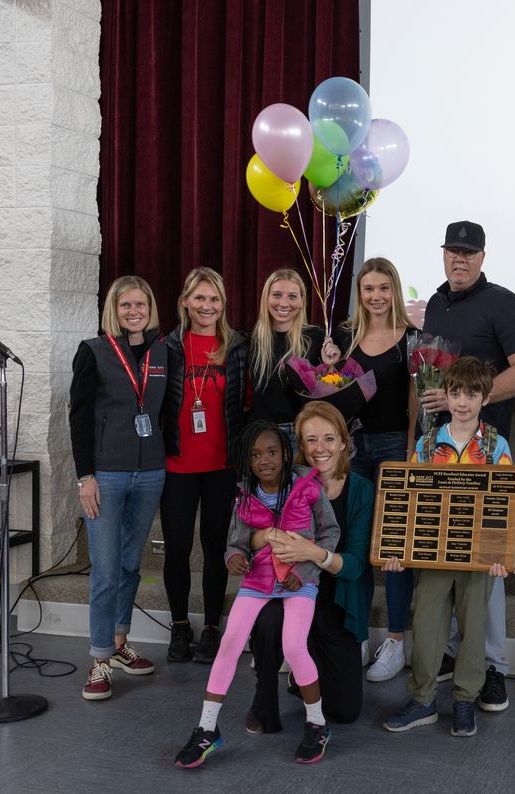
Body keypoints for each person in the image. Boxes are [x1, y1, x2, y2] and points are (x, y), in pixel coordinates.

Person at [419, 220, 515, 711]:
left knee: (484, 568)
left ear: (483, 258)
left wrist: (463, 399)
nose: (460, 260)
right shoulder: (434, 302)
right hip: (440, 451)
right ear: (444, 254)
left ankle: (493, 666)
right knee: (445, 556)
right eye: (453, 252)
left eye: (469, 253)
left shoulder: (503, 303)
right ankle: (454, 652)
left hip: (485, 459)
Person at [173, 421, 339, 767]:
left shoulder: (307, 486)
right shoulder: (244, 495)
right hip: (258, 582)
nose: (265, 460)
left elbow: (329, 532)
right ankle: (206, 729)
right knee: (230, 642)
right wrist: (235, 558)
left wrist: (305, 571)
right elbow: (234, 543)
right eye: (255, 455)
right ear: (247, 461)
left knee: (294, 646)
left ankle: (317, 723)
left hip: (299, 583)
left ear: (286, 453)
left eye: (272, 452)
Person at [381, 357, 512, 738]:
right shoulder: (426, 444)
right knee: (425, 625)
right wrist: (398, 548)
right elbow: (408, 501)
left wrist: (500, 555)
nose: (463, 402)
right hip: (433, 552)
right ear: (446, 395)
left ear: (485, 398)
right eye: (456, 393)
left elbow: (505, 504)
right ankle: (422, 699)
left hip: (476, 558)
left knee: (474, 630)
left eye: (472, 394)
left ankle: (464, 700)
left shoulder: (495, 444)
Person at [246, 402, 376, 731]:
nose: (321, 449)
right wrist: (262, 538)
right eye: (311, 440)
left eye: (329, 439)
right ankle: (263, 699)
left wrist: (311, 551)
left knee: (346, 710)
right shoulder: (286, 483)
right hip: (291, 592)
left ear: (344, 442)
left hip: (336, 599)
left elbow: (356, 566)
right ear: (301, 446)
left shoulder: (361, 489)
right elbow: (250, 538)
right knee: (267, 618)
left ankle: (304, 669)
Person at [69, 275, 168, 700]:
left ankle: (121, 644)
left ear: (150, 308)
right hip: (105, 476)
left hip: (150, 474)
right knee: (106, 569)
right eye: (125, 305)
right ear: (114, 309)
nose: (133, 312)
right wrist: (85, 476)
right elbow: (77, 417)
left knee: (130, 564)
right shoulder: (93, 352)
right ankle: (98, 659)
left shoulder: (164, 351)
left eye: (140, 305)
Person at [330, 257, 418, 682]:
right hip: (353, 448)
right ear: (359, 293)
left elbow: (417, 398)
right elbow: (330, 391)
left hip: (395, 446)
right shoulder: (344, 339)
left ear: (394, 291)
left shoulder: (411, 338)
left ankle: (397, 642)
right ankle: (358, 635)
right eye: (368, 289)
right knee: (359, 545)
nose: (376, 296)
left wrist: (413, 445)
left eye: (384, 288)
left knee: (395, 549)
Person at [160, 267, 249, 663]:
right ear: (185, 302)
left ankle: (212, 626)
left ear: (223, 304)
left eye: (214, 299)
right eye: (199, 298)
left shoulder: (237, 346)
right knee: (177, 549)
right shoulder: (168, 347)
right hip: (177, 464)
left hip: (222, 466)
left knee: (215, 549)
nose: (207, 306)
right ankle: (180, 626)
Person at [247, 268, 336, 449]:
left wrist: (331, 366)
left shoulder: (316, 338)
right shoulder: (251, 341)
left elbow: (329, 394)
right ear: (266, 299)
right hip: (260, 434)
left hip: (301, 434)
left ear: (302, 301)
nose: (284, 303)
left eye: (292, 296)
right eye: (277, 295)